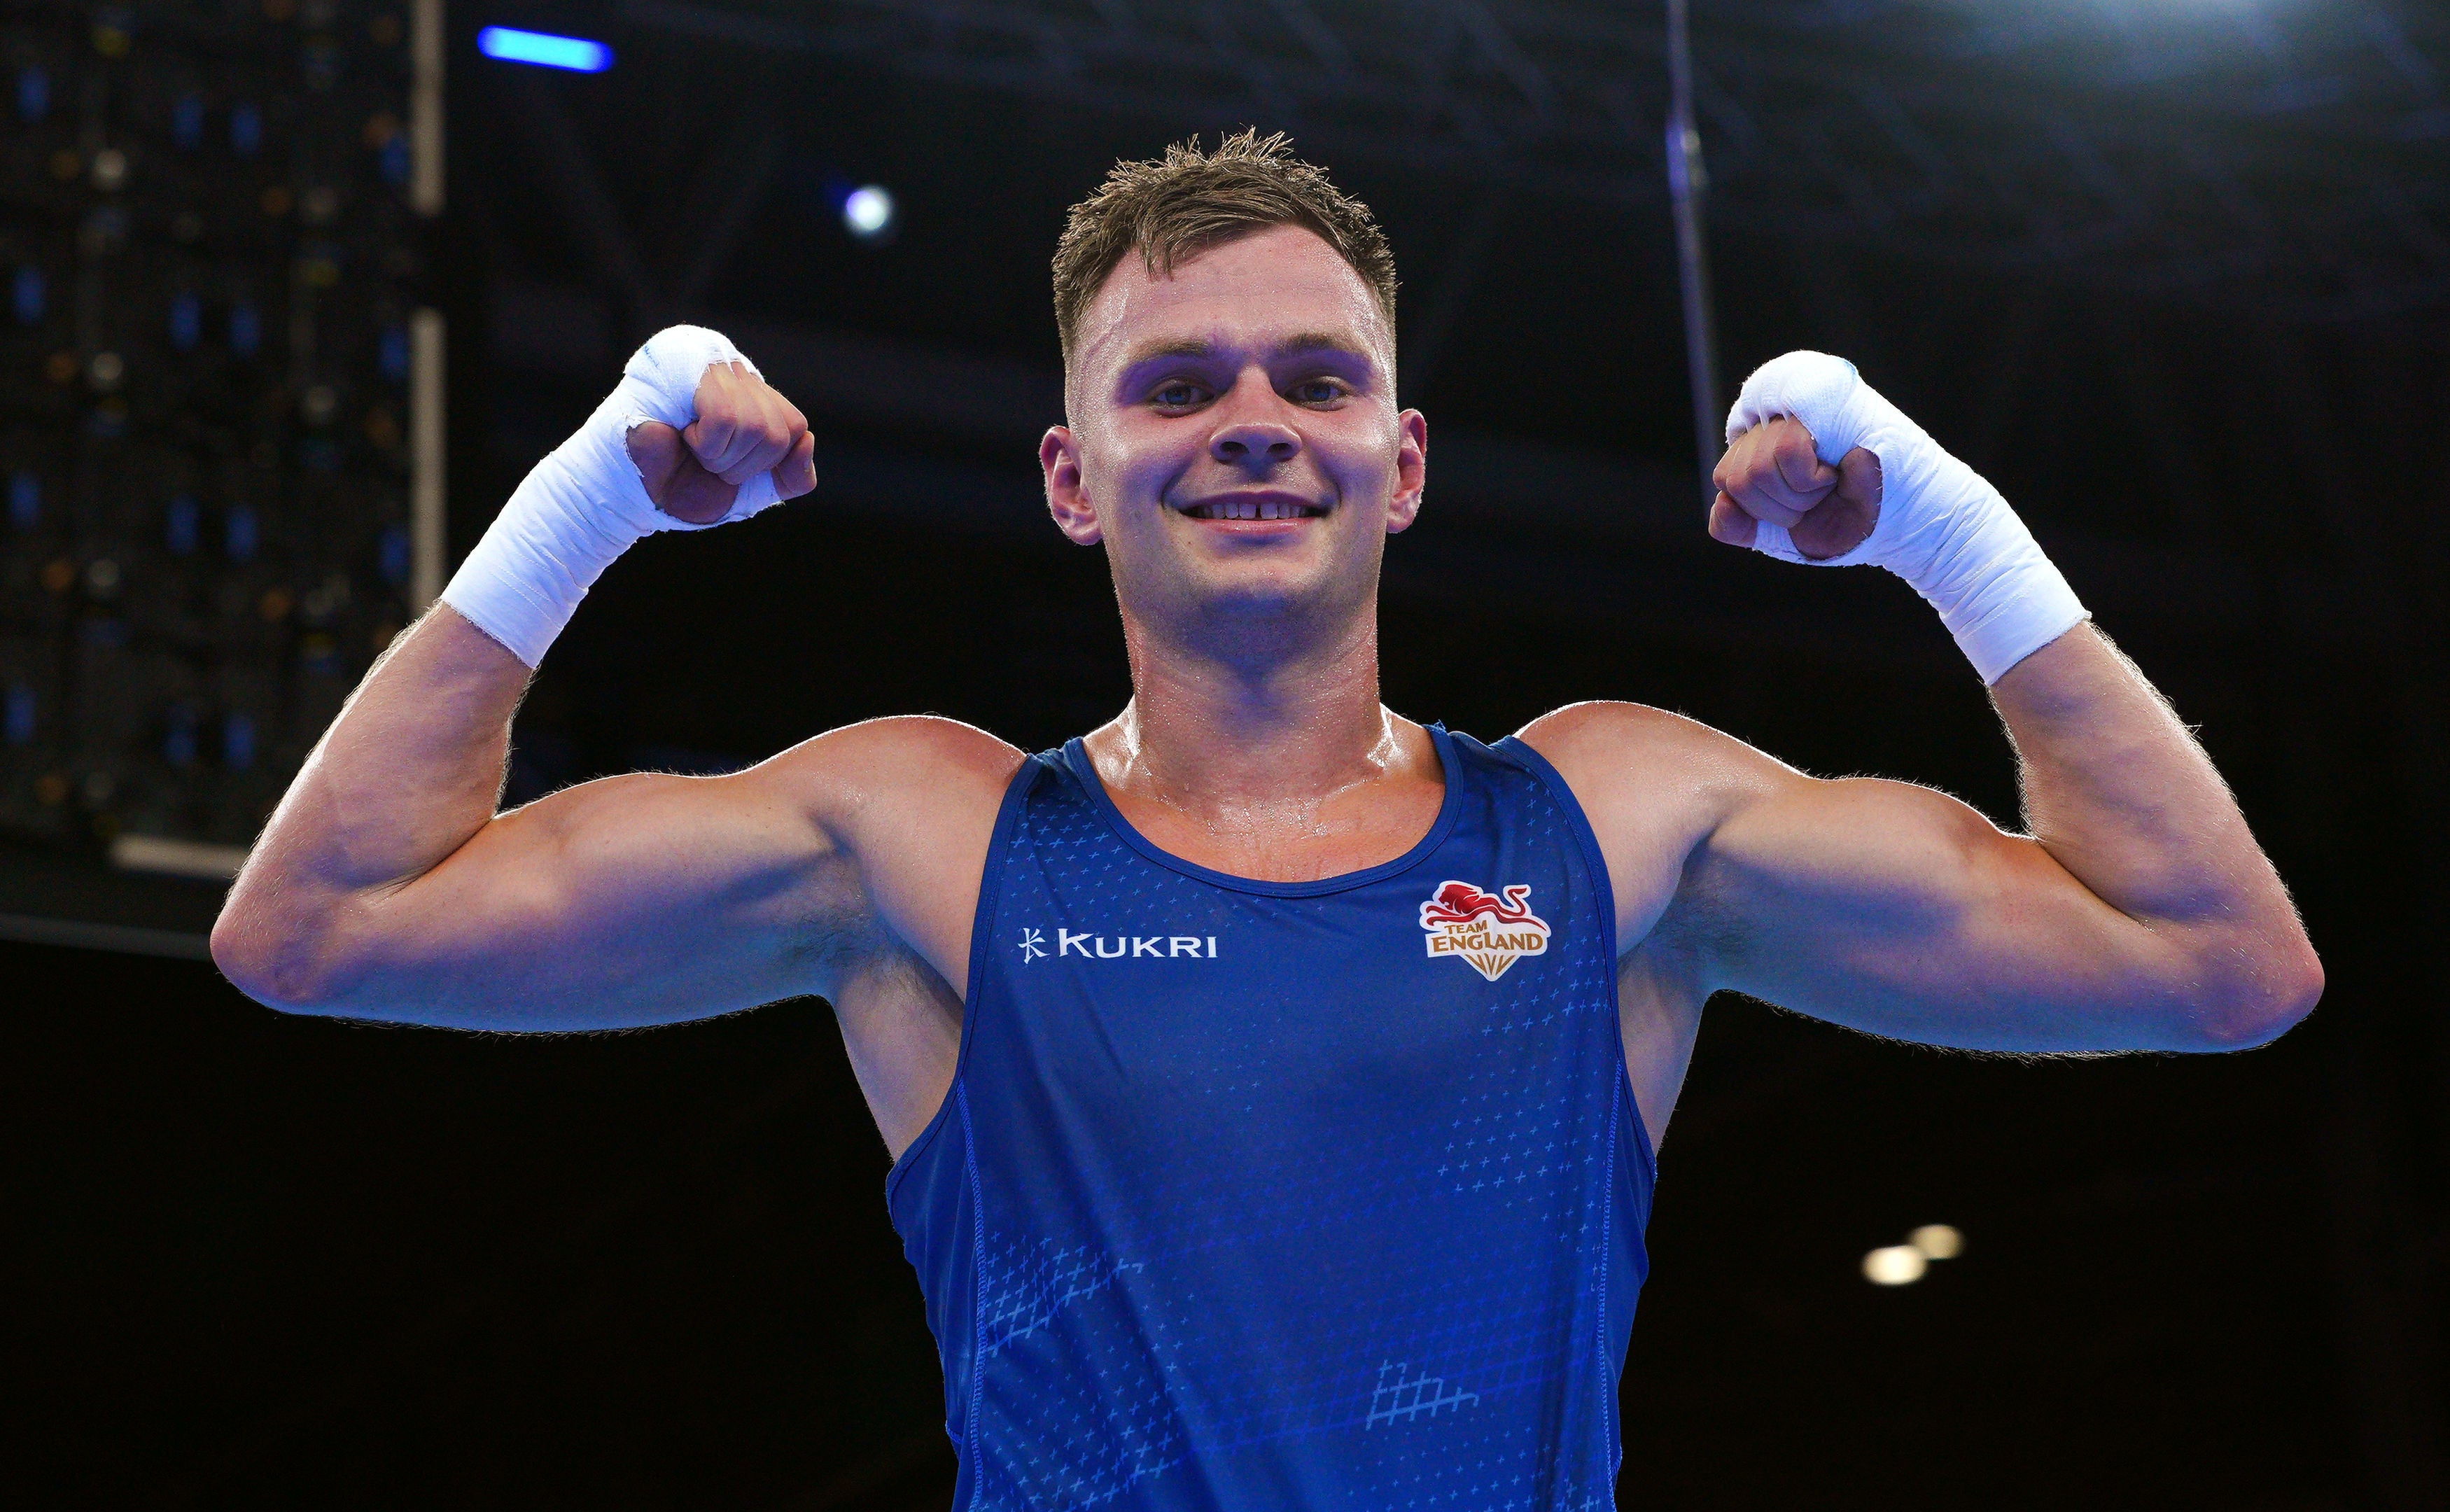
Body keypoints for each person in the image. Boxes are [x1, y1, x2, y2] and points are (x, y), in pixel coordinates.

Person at [212, 132, 2320, 1508]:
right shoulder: (923, 841)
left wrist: (1935, 528)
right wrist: (594, 494)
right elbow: (319, 926)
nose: (1249, 426)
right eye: (1175, 384)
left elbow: (2214, 962)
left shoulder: (1615, 820)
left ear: (1399, 464)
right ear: (1069, 476)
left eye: (1312, 384)